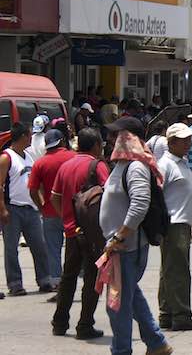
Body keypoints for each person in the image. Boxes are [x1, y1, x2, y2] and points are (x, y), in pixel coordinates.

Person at [101, 117, 172, 355]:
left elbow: (141, 203)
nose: (110, 140)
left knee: (118, 304)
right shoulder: (123, 165)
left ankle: (121, 350)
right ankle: (156, 342)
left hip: (126, 247)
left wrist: (120, 235)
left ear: (129, 138)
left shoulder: (136, 167)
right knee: (131, 297)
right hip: (119, 247)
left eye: (116, 135)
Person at [49, 128, 107, 339]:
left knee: (68, 277)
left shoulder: (66, 166)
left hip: (72, 231)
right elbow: (107, 196)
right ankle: (84, 325)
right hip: (92, 233)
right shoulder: (97, 165)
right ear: (95, 145)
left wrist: (67, 218)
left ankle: (59, 322)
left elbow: (55, 197)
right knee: (92, 279)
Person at [157, 123, 192, 330]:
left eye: (189, 139)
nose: (189, 143)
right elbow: (157, 196)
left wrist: (190, 222)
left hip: (182, 222)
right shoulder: (165, 164)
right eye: (184, 140)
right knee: (178, 270)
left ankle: (168, 313)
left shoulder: (182, 162)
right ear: (171, 142)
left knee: (170, 268)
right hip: (172, 223)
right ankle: (181, 315)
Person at [0, 122, 52, 296]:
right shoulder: (6, 157)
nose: (31, 138)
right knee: (11, 249)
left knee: (39, 245)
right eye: (29, 135)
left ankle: (44, 280)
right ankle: (15, 284)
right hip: (12, 208)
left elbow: (36, 184)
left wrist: (41, 203)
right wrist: (2, 209)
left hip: (30, 209)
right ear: (22, 136)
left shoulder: (28, 157)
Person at [28, 129, 76, 289]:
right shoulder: (74, 157)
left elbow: (33, 190)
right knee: (77, 245)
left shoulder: (40, 163)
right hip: (73, 212)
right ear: (62, 141)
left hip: (49, 212)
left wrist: (41, 207)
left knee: (53, 249)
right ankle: (82, 275)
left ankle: (57, 283)